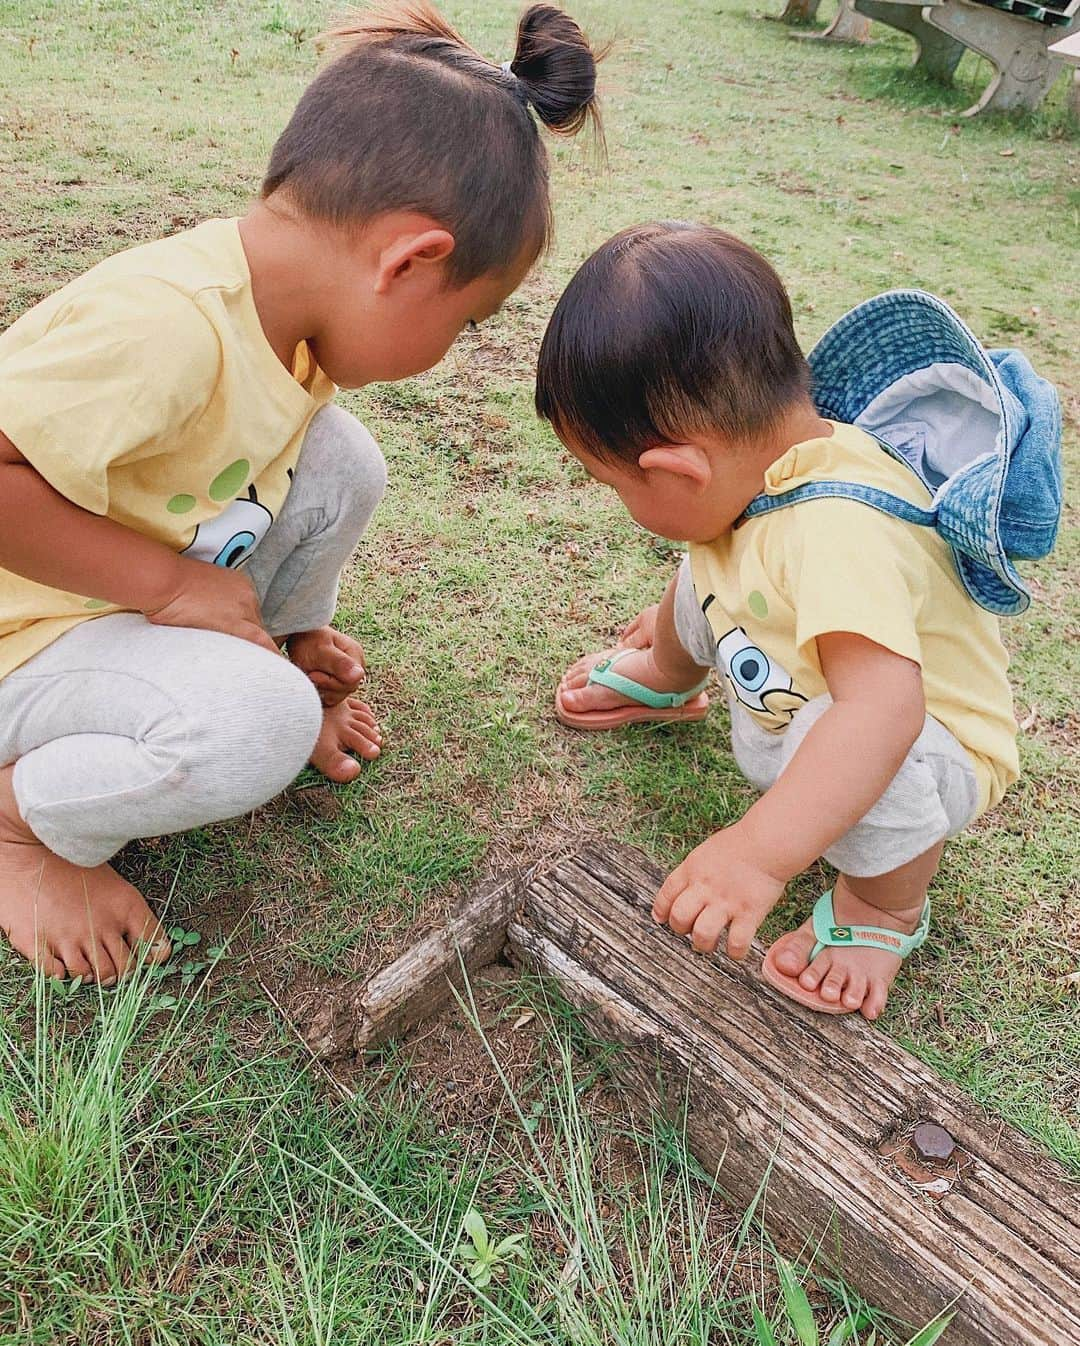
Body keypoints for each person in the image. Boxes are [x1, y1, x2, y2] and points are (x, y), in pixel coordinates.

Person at [0, 2, 601, 985]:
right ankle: (19, 824)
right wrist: (167, 588)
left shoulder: (285, 319)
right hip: (17, 637)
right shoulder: (168, 326)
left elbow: (254, 491)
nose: (456, 351)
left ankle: (279, 652)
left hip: (86, 603)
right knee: (261, 726)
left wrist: (278, 627)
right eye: (471, 323)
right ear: (411, 262)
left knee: (342, 456)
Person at [537, 220, 1055, 1020]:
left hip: (922, 744)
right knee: (705, 550)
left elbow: (884, 715)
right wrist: (670, 626)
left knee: (836, 732)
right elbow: (728, 565)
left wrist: (757, 853)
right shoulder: (759, 475)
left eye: (616, 486)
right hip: (812, 684)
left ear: (677, 467)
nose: (621, 505)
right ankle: (669, 679)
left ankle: (882, 906)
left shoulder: (835, 530)